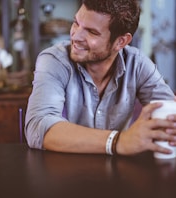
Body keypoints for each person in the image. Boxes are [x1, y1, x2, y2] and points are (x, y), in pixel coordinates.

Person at [25, 0, 176, 156]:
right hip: (64, 171)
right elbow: (38, 128)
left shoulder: (137, 64)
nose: (76, 36)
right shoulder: (54, 60)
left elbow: (170, 113)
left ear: (120, 41)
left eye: (92, 32)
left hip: (119, 173)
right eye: (76, 23)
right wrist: (119, 141)